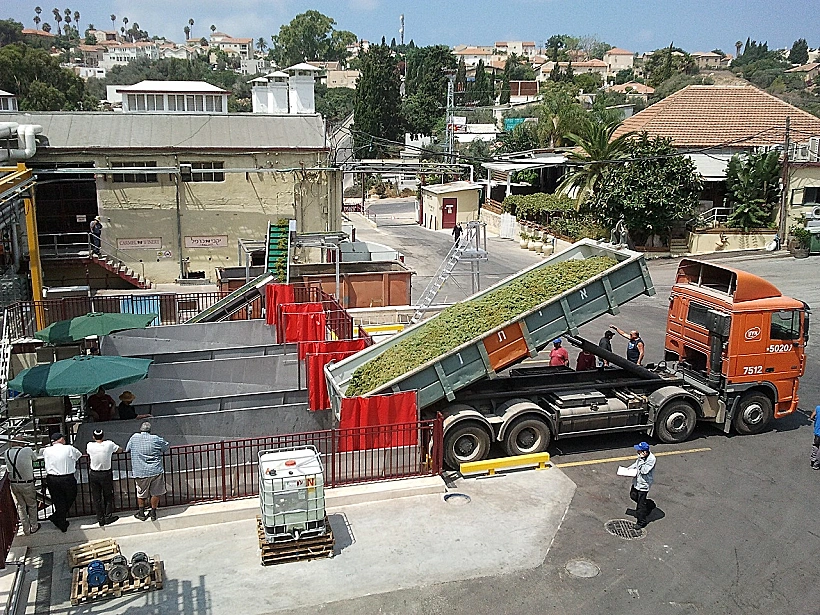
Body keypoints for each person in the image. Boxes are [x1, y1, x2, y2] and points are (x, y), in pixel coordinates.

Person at [126, 422, 169, 521]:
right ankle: (153, 512)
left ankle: (141, 513)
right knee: (156, 492)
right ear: (150, 430)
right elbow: (166, 447)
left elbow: (127, 449)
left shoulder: (134, 437)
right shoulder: (155, 438)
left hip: (140, 471)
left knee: (141, 492)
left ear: (141, 429)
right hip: (155, 470)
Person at [43, 432, 82, 532]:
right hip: (67, 478)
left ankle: (59, 519)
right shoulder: (69, 448)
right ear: (60, 439)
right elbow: (78, 455)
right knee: (71, 496)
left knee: (58, 500)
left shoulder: (46, 450)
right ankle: (59, 519)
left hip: (52, 478)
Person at [86, 429, 122, 527]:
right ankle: (108, 516)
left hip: (94, 473)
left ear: (94, 437)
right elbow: (119, 449)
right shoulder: (109, 444)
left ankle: (100, 518)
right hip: (106, 473)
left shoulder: (90, 445)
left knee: (97, 497)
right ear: (103, 436)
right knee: (108, 495)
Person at [3, 441, 40, 535]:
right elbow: (35, 459)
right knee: (32, 505)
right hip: (27, 483)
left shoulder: (6, 452)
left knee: (20, 506)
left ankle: (26, 529)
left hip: (14, 483)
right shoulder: (27, 450)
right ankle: (34, 526)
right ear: (22, 443)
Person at [626, 441, 656, 529]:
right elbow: (636, 464)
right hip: (637, 482)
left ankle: (641, 522)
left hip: (643, 484)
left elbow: (644, 471)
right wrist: (629, 469)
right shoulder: (641, 457)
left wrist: (641, 459)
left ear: (644, 452)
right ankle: (649, 504)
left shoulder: (651, 459)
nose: (637, 453)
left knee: (640, 506)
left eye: (639, 451)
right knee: (633, 495)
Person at [810, 405, 820, 470]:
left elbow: (811, 417)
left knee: (815, 445)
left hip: (817, 432)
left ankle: (813, 459)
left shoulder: (818, 408)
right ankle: (816, 464)